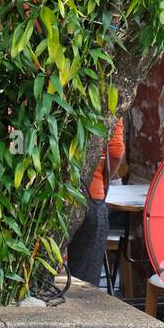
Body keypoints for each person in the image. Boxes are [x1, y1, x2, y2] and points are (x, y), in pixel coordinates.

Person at [66, 118, 125, 285]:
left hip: (50, 198)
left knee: (43, 283)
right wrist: (100, 179)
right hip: (92, 197)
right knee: (84, 285)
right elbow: (115, 152)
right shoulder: (109, 98)